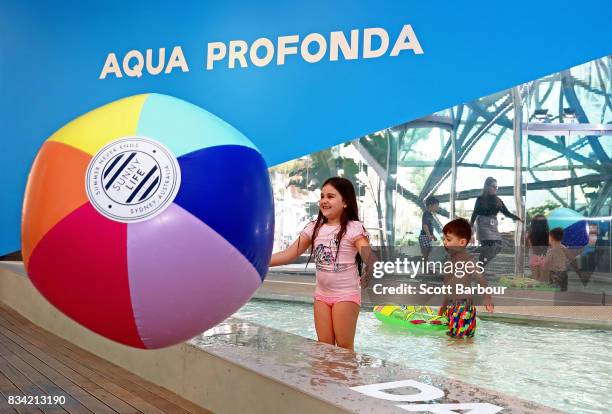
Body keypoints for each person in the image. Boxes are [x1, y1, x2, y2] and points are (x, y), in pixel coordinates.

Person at [269, 177, 374, 350]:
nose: (324, 200)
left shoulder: (353, 227)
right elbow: (289, 254)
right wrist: (259, 262)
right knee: (324, 346)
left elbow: (369, 256)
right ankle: (325, 378)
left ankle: (348, 377)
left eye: (331, 196)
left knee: (343, 348)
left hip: (345, 296)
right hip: (322, 296)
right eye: (322, 196)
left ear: (345, 202)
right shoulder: (314, 227)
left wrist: (370, 271)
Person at [438, 218, 494, 338]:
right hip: (467, 308)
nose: (445, 243)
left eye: (448, 239)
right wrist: (487, 297)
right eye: (444, 239)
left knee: (454, 344)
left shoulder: (459, 261)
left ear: (462, 242)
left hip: (458, 309)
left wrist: (442, 308)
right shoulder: (465, 259)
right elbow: (481, 278)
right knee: (467, 342)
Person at [470, 177, 522, 266]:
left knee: (498, 246)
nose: (495, 189)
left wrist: (519, 219)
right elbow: (474, 213)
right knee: (489, 246)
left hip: (493, 225)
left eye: (496, 187)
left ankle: (479, 265)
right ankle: (479, 266)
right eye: (493, 186)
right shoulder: (480, 199)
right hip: (483, 224)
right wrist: (471, 228)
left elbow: (507, 213)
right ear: (487, 187)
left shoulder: (498, 200)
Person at [527, 214, 550, 282]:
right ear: (545, 223)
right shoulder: (549, 234)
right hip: (545, 257)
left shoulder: (530, 235)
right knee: (544, 280)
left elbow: (529, 246)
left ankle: (534, 292)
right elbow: (552, 246)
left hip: (533, 257)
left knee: (535, 279)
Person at [419, 196, 439, 262]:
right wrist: (429, 235)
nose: (437, 208)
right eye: (436, 206)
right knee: (425, 254)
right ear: (430, 206)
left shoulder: (430, 215)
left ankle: (427, 268)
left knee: (428, 253)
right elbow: (425, 226)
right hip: (424, 236)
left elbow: (430, 227)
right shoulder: (426, 214)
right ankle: (425, 269)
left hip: (427, 236)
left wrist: (432, 235)